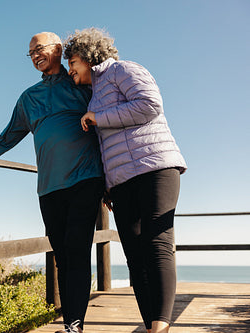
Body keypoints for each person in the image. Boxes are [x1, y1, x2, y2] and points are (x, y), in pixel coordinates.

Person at [0, 32, 104, 333]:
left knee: (78, 251)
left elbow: (108, 126)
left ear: (57, 49)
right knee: (63, 259)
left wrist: (112, 180)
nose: (36, 55)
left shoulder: (81, 84)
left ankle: (74, 326)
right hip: (49, 189)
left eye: (40, 48)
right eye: (30, 53)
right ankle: (71, 324)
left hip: (86, 180)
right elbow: (3, 141)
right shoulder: (29, 99)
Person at [64, 28, 187, 333]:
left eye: (73, 62)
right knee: (134, 254)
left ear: (87, 55)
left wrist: (98, 118)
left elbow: (150, 105)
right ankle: (151, 326)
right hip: (121, 181)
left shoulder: (123, 69)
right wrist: (108, 183)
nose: (70, 70)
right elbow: (107, 145)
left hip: (156, 168)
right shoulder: (92, 94)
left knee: (157, 242)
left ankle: (160, 327)